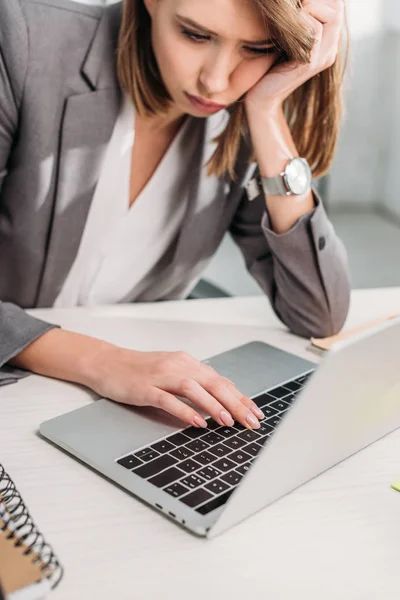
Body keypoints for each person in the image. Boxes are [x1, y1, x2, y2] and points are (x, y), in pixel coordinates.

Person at [0, 0, 350, 431]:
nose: (217, 80)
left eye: (256, 48)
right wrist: (104, 362)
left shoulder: (244, 111)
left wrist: (266, 111)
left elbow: (319, 313)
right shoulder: (22, 43)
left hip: (125, 407)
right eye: (196, 34)